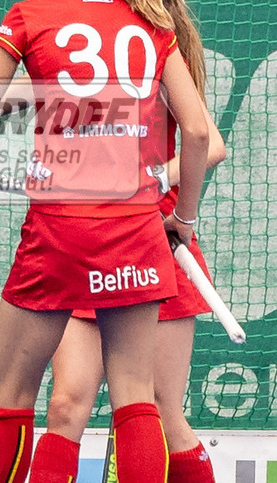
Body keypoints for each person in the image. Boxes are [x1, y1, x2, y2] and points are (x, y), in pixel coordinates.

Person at [0, 0, 210, 483]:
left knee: (9, 396)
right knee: (137, 399)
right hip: (134, 229)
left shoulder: (29, 16)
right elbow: (201, 134)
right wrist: (183, 219)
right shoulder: (152, 23)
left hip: (59, 229)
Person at [28, 112, 226, 480]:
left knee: (161, 408)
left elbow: (210, 142)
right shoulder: (66, 59)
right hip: (85, 247)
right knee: (65, 405)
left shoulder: (157, 55)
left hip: (150, 247)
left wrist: (151, 180)